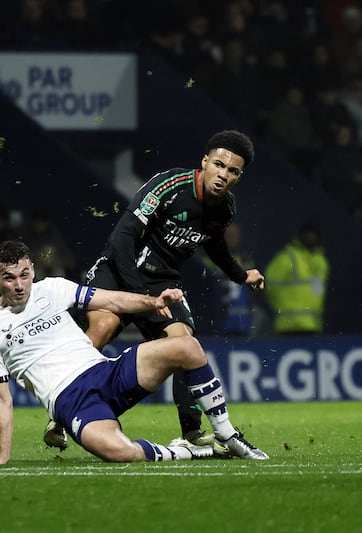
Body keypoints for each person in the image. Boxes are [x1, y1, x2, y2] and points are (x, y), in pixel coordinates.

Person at [49, 130, 266, 449]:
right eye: (219, 164)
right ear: (205, 162)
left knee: (183, 342)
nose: (223, 174)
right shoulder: (168, 186)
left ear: (239, 175)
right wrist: (142, 299)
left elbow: (215, 244)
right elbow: (121, 238)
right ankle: (59, 417)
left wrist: (239, 274)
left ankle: (191, 433)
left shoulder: (225, 209)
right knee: (103, 327)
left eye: (232, 171)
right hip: (118, 269)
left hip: (161, 281)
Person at [0, 240, 269, 464]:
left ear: (33, 271)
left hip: (104, 373)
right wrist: (3, 455)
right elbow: (1, 398)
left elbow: (112, 301)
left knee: (186, 346)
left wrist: (152, 302)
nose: (19, 285)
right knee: (119, 451)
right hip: (71, 402)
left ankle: (226, 433)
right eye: (9, 278)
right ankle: (190, 451)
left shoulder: (52, 289)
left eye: (24, 275)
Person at [264, 224, 330, 335]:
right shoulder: (287, 258)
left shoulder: (320, 261)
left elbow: (318, 292)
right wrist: (279, 309)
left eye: (313, 235)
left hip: (313, 325)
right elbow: (270, 286)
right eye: (307, 235)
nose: (311, 238)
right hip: (288, 325)